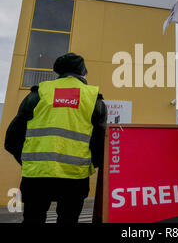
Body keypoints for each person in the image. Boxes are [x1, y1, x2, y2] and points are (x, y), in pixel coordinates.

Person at [4, 53, 107, 224]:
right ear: (83, 72)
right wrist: (89, 164)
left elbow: (11, 140)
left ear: (58, 72)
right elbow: (100, 145)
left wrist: (31, 162)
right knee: (68, 220)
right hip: (75, 178)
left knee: (32, 219)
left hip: (36, 177)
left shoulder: (37, 95)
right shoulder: (94, 100)